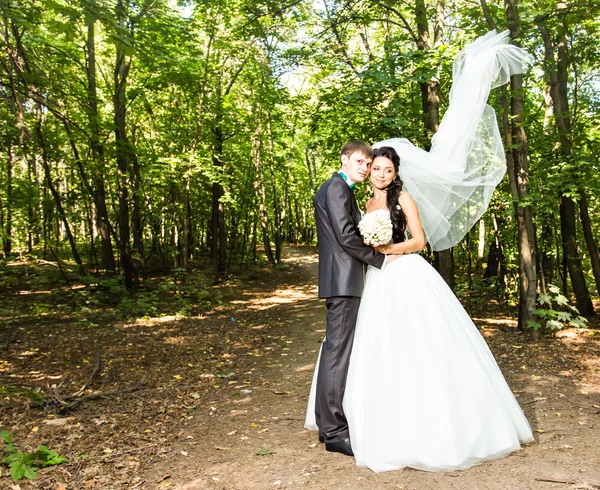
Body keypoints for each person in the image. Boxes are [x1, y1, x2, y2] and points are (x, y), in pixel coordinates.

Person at [305, 30, 535, 471]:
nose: (378, 173)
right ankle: (344, 422)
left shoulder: (400, 198)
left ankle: (403, 423)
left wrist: (389, 250)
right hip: (370, 276)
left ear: (394, 173)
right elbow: (350, 237)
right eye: (373, 167)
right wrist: (377, 255)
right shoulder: (351, 195)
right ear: (363, 167)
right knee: (358, 348)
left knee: (412, 346)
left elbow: (420, 241)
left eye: (385, 169)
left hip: (400, 271)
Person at [312, 140, 397, 456]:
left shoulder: (338, 189)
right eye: (360, 162)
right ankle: (334, 432)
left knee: (336, 351)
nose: (364, 167)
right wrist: (381, 259)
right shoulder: (336, 188)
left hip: (344, 280)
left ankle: (327, 426)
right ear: (345, 159)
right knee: (337, 354)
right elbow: (347, 236)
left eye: (367, 163)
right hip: (343, 281)